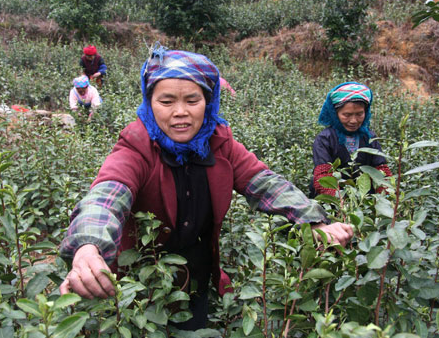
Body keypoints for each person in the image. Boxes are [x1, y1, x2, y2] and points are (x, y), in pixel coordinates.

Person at [59, 45, 353, 331]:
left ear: (208, 101)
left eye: (192, 100)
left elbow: (265, 182)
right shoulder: (136, 145)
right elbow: (107, 195)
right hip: (139, 284)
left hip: (198, 273)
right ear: (150, 102)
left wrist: (312, 220)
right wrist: (88, 246)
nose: (180, 112)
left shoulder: (219, 142)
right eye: (166, 101)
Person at [310, 82, 393, 197]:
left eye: (359, 114)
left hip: (365, 199)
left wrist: (386, 198)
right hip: (333, 202)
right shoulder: (325, 139)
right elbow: (323, 177)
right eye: (347, 115)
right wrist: (341, 204)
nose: (354, 120)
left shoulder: (369, 138)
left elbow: (381, 172)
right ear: (335, 113)